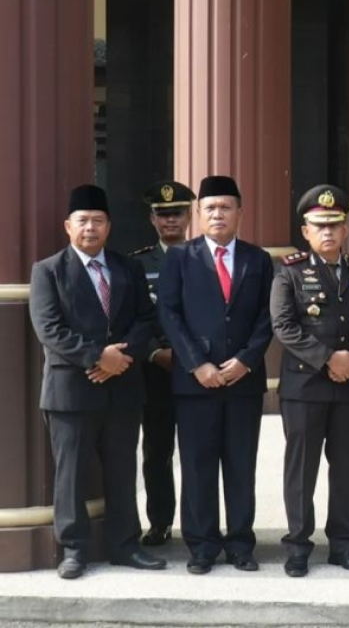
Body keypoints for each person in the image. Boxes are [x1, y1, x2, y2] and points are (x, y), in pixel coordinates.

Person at [29, 184, 166, 579]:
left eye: (98, 221)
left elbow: (147, 320)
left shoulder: (128, 268)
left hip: (123, 387)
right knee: (70, 474)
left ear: (109, 226)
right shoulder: (48, 270)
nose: (91, 228)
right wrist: (97, 357)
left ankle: (126, 546)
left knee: (123, 471)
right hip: (70, 390)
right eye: (83, 221)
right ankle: (74, 549)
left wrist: (119, 359)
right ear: (68, 226)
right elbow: (49, 329)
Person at [157, 175, 275, 575]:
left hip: (244, 380)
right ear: (198, 214)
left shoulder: (258, 259)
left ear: (240, 212)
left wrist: (247, 359)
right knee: (197, 464)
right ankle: (202, 545)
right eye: (210, 208)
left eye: (226, 207)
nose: (218, 214)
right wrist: (196, 363)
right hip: (196, 382)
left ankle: (241, 543)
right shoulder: (179, 257)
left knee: (241, 464)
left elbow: (267, 317)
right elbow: (169, 313)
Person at [270, 184, 349, 577]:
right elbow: (284, 326)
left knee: (347, 466)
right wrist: (327, 359)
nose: (329, 232)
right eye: (320, 225)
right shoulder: (290, 272)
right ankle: (298, 545)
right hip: (305, 386)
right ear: (306, 231)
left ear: (347, 229)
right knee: (303, 468)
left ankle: (344, 544)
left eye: (335, 224)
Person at [130, 180, 195, 547]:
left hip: (198, 370)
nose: (171, 220)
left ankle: (198, 524)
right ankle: (160, 523)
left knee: (199, 451)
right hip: (155, 371)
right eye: (163, 214)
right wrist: (155, 352)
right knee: (157, 450)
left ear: (189, 216)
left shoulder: (204, 256)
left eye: (177, 213)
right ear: (153, 219)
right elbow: (136, 316)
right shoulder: (137, 263)